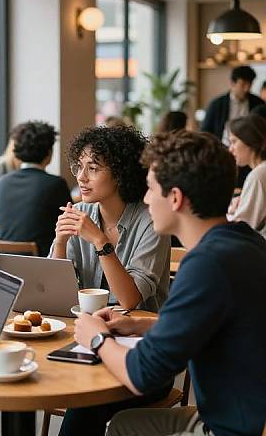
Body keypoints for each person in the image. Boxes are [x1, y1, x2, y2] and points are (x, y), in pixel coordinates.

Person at [74, 131, 266, 436]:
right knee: (120, 427)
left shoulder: (206, 265)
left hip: (229, 428)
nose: (147, 198)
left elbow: (141, 374)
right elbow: (219, 324)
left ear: (175, 198)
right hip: (246, 414)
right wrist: (142, 325)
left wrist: (97, 339)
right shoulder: (244, 240)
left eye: (151, 189)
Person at [51, 125, 170, 312]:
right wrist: (60, 243)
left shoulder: (152, 221)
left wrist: (100, 241)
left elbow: (130, 301)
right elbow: (54, 291)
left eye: (93, 168)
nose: (81, 177)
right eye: (79, 167)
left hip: (138, 331)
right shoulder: (79, 213)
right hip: (86, 324)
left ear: (120, 174)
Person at [0, 121, 72, 256]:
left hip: (5, 263)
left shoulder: (3, 182)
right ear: (49, 153)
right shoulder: (55, 184)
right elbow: (71, 223)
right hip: (44, 262)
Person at [201, 65, 263, 144]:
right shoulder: (216, 105)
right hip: (222, 149)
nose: (247, 89)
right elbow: (205, 132)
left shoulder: (258, 103)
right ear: (232, 83)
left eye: (249, 85)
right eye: (243, 85)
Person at [227, 114, 266, 238]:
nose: (230, 149)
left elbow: (243, 226)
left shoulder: (258, 176)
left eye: (234, 142)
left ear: (249, 140)